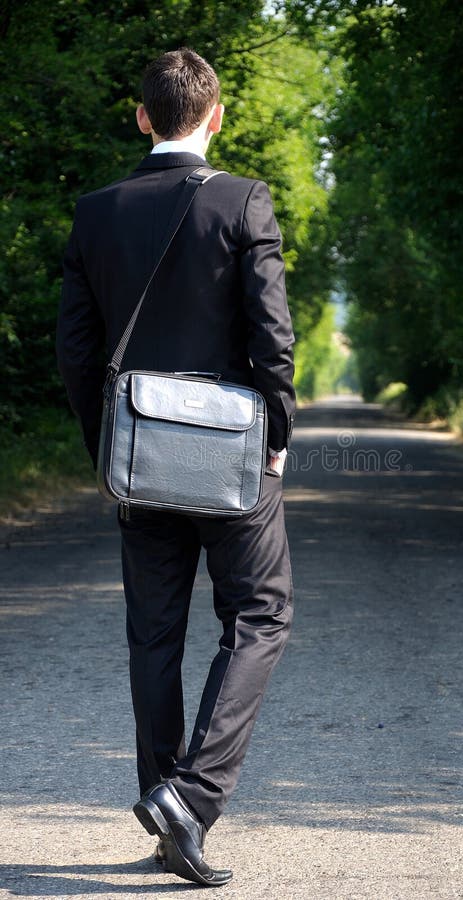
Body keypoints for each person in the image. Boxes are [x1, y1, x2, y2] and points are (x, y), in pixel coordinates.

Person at [56, 48, 295, 887]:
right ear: (218, 116)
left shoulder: (97, 211)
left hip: (138, 455)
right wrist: (279, 430)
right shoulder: (240, 200)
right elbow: (272, 335)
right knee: (261, 616)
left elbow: (77, 354)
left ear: (142, 115)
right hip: (232, 457)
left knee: (154, 635)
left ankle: (169, 812)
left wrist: (109, 447)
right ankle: (190, 801)